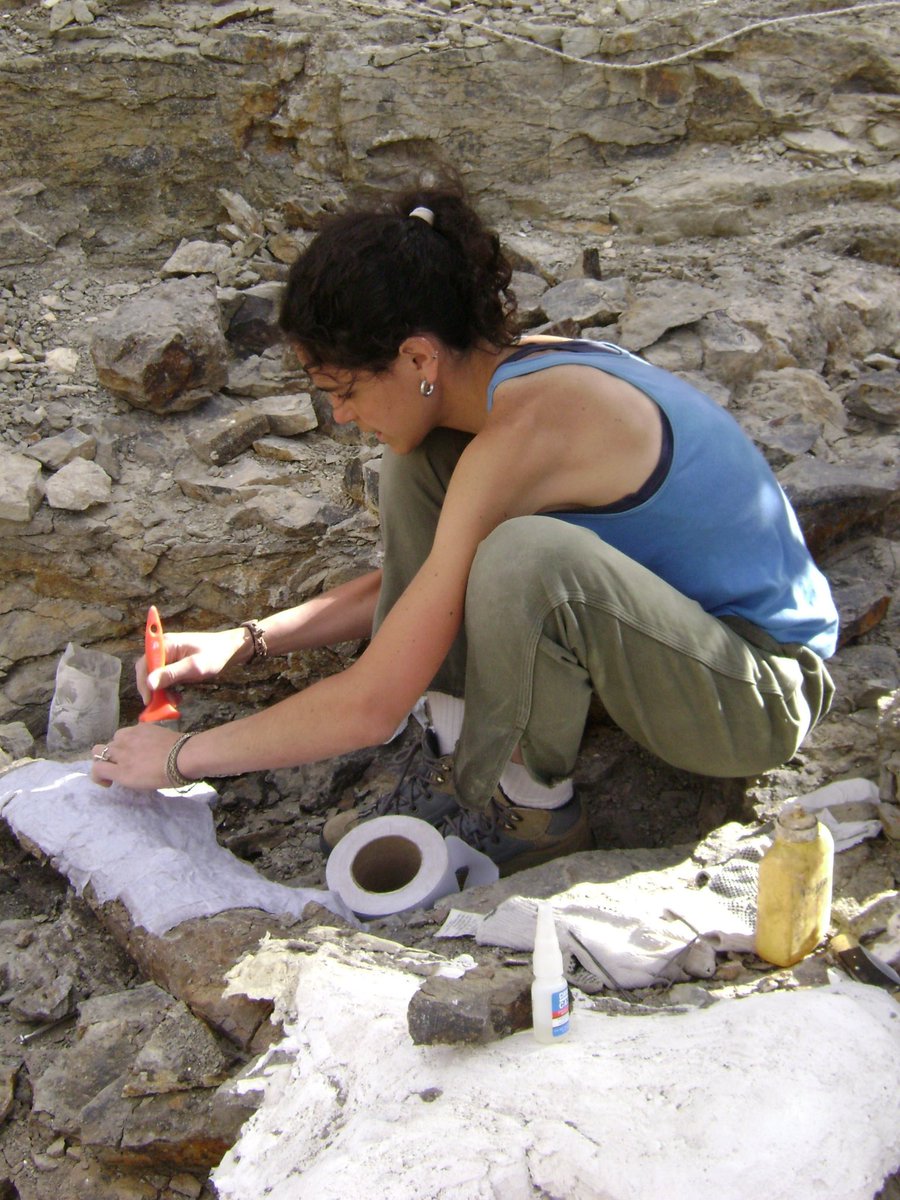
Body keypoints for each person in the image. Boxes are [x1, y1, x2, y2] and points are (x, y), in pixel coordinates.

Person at [91, 178, 838, 877]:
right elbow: (427, 590)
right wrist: (247, 641)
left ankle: (530, 809)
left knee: (525, 554)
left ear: (417, 355)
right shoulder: (506, 381)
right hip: (675, 641)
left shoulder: (528, 429)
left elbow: (372, 704)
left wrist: (180, 758)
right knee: (418, 463)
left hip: (759, 693)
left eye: (344, 390)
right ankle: (457, 760)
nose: (341, 416)